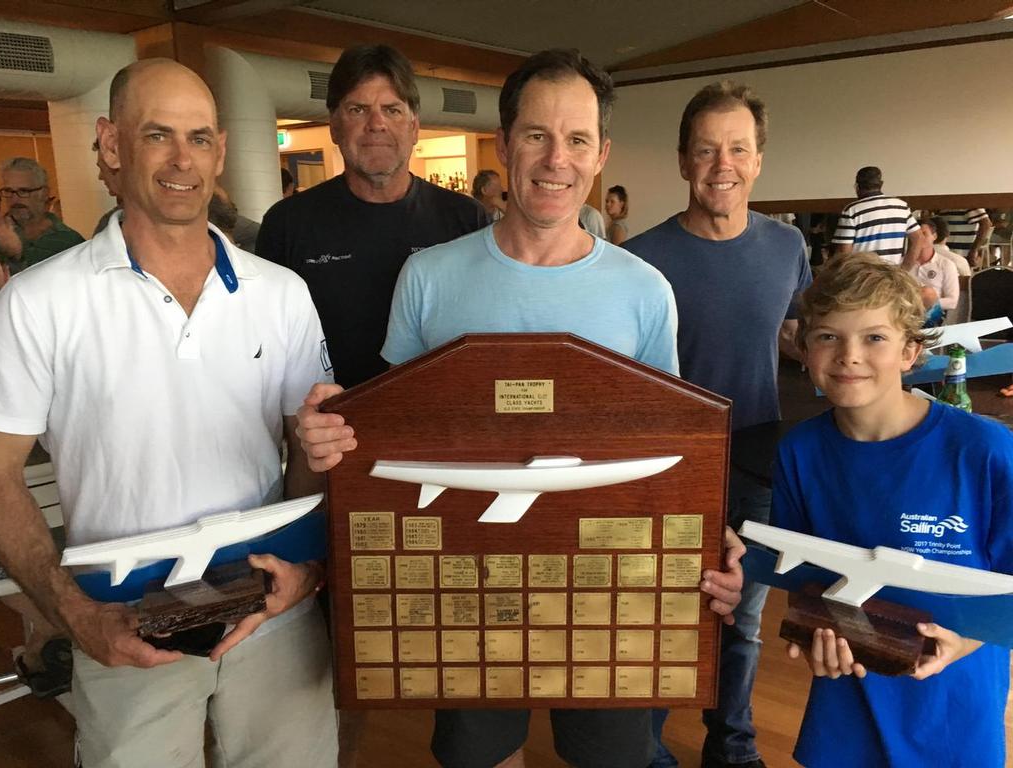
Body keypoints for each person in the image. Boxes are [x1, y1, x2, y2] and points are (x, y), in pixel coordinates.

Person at [296, 48, 745, 768]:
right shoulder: (429, 276)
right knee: (479, 755)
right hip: (469, 581)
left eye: (575, 140)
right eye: (536, 135)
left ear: (601, 154)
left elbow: (673, 448)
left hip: (607, 577)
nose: (554, 160)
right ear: (504, 145)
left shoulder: (643, 289)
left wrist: (711, 539)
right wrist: (331, 434)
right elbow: (394, 433)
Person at [0, 58, 354, 768]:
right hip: (120, 620)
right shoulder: (36, 303)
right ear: (112, 144)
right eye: (158, 135)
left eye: (199, 137)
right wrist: (74, 615)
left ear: (220, 149)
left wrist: (305, 569)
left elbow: (308, 448)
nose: (182, 159)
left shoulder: (280, 294)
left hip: (271, 614)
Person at [625, 80, 811, 768]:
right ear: (683, 161)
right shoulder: (641, 259)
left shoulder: (787, 245)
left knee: (744, 619)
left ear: (759, 159)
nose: (721, 164)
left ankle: (730, 747)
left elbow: (792, 333)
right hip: (670, 461)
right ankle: (644, 750)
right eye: (705, 150)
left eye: (737, 148)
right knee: (662, 612)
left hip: (759, 450)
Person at [774, 252, 1013, 768]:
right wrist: (813, 630)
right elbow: (800, 577)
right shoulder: (800, 450)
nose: (848, 355)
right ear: (804, 347)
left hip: (951, 696)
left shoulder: (984, 450)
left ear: (910, 351)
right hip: (847, 689)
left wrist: (965, 640)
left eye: (874, 337)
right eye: (828, 336)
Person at [257, 44, 489, 390]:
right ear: (334, 126)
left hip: (438, 426)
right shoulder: (288, 224)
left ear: (414, 127)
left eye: (392, 110)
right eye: (358, 109)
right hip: (330, 428)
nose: (376, 124)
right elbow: (269, 345)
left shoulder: (466, 220)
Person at [0, 157, 84, 274]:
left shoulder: (70, 241)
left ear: (44, 193)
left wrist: (17, 255)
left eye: (24, 191)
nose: (14, 198)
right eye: (8, 191)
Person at [831, 166, 919, 263]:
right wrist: (905, 269)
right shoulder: (901, 207)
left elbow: (844, 252)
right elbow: (919, 239)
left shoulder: (852, 210)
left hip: (863, 276)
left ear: (857, 186)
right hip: (892, 275)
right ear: (881, 184)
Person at [905, 220, 959, 315]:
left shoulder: (946, 264)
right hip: (905, 312)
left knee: (927, 292)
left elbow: (952, 302)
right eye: (917, 235)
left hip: (932, 313)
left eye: (924, 234)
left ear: (934, 236)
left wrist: (922, 303)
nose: (920, 238)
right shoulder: (903, 262)